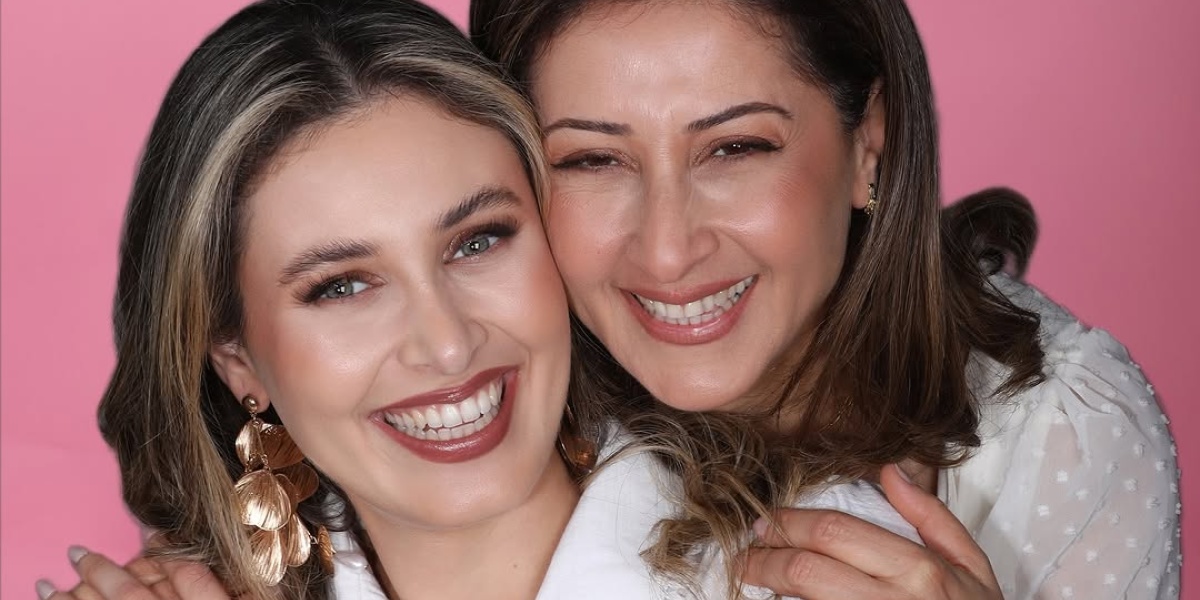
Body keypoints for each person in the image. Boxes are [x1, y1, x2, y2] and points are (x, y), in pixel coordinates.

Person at [37, 1, 925, 599]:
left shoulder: (825, 571)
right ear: (237, 359)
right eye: (342, 285)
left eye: (477, 241)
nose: (447, 342)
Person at [467, 0, 1182, 598]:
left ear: (869, 141)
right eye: (592, 159)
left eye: (736, 148)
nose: (666, 250)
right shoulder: (468, 423)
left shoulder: (1063, 425)